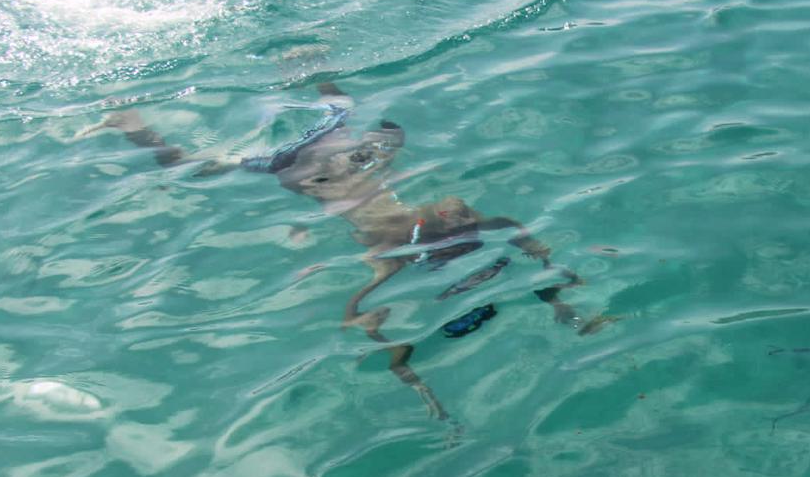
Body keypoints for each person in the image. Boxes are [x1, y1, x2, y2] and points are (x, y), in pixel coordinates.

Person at [98, 81, 601, 421]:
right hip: (298, 173)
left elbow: (367, 310)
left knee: (338, 113)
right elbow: (360, 312)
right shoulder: (391, 249)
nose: (463, 217)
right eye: (461, 218)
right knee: (193, 165)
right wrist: (557, 291)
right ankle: (131, 125)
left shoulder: (409, 235)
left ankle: (305, 65)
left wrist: (557, 292)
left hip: (330, 165)